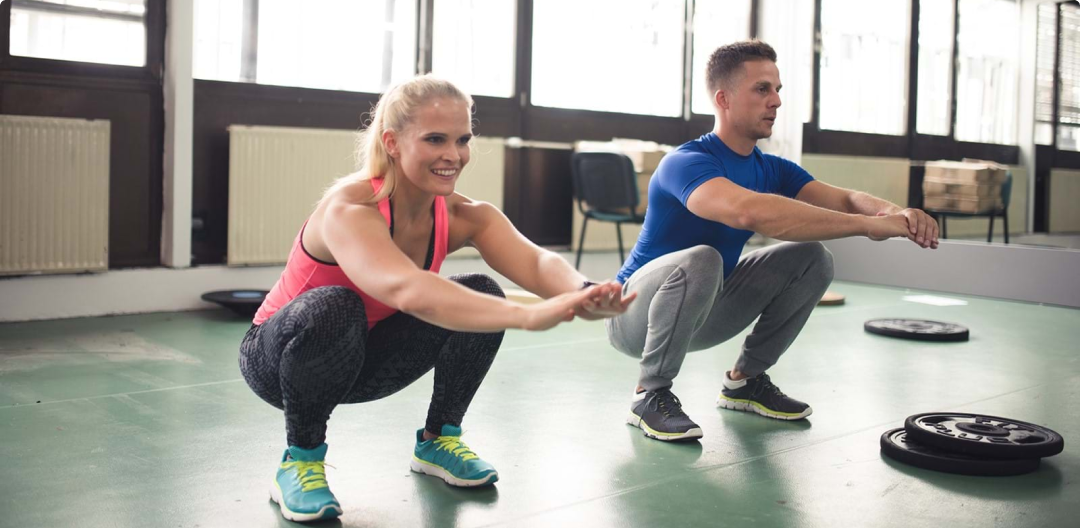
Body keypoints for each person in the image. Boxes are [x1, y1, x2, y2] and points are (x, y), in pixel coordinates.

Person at [239, 75, 635, 522]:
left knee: (478, 290)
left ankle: (437, 440)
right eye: (435, 139)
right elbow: (407, 289)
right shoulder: (350, 209)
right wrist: (525, 316)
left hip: (366, 359)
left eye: (462, 139)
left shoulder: (464, 214)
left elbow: (537, 261)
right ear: (392, 142)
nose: (454, 155)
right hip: (280, 362)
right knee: (337, 304)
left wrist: (583, 292)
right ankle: (300, 461)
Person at [607, 40, 938, 442]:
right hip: (632, 316)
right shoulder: (686, 162)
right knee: (703, 258)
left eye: (778, 89)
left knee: (813, 258)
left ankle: (745, 383)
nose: (776, 101)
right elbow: (750, 213)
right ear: (724, 99)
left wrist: (894, 213)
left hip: (704, 310)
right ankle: (649, 394)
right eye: (763, 89)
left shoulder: (773, 168)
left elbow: (846, 198)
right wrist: (865, 226)